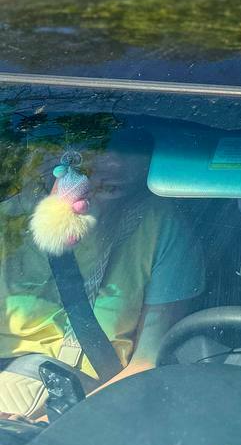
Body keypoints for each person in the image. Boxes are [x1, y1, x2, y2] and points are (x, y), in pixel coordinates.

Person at [0, 127, 205, 419]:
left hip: (99, 400)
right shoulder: (10, 223)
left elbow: (147, 363)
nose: (115, 164)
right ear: (55, 160)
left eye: (111, 188)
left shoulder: (161, 226)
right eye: (94, 150)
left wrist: (54, 426)